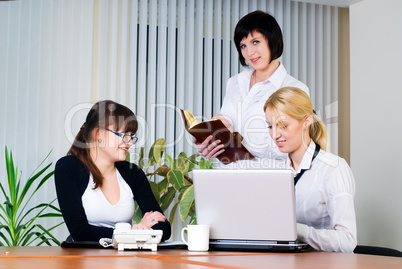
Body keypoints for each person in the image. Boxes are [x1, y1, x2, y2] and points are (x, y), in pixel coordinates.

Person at [196, 10, 309, 163]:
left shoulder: (295, 89)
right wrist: (212, 143)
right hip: (229, 175)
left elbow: (295, 147)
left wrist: (239, 144)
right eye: (243, 46)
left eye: (255, 42)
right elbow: (226, 124)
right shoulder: (234, 83)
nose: (249, 52)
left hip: (268, 178)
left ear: (272, 40)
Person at [55, 100, 171, 242]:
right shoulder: (67, 167)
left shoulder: (133, 173)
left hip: (125, 260)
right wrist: (133, 232)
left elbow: (164, 228)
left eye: (131, 136)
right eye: (123, 135)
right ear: (98, 133)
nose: (129, 142)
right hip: (83, 259)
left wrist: (133, 232)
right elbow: (80, 232)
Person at [263, 87, 357, 253]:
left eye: (283, 125)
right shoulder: (274, 170)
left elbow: (348, 241)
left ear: (306, 121)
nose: (275, 135)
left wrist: (298, 230)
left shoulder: (333, 169)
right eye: (270, 126)